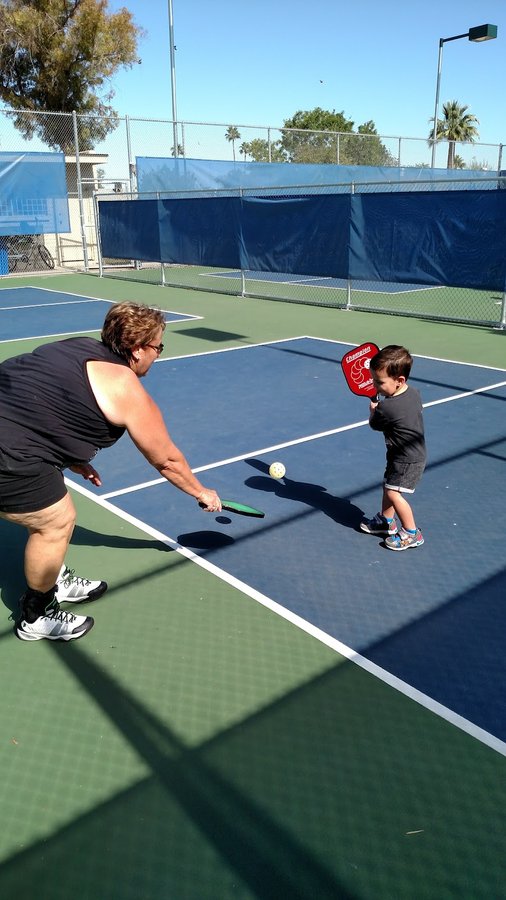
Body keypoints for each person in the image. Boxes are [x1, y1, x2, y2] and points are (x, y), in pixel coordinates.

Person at [0, 301, 222, 642]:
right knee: (55, 521)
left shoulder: (76, 347)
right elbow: (167, 460)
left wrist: (69, 456)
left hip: (13, 440)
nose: (159, 354)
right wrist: (201, 492)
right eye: (158, 346)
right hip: (9, 455)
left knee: (51, 500)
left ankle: (53, 576)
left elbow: (32, 395)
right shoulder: (125, 388)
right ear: (137, 350)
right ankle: (36, 614)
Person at [360, 345, 426, 550]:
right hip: (406, 454)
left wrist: (373, 410)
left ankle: (411, 532)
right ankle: (386, 522)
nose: (375, 385)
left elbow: (375, 425)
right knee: (388, 486)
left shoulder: (387, 407)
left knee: (393, 493)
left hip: (406, 459)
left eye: (379, 382)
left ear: (399, 381)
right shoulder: (414, 393)